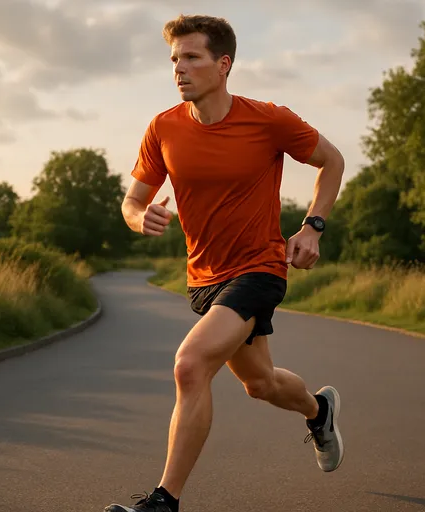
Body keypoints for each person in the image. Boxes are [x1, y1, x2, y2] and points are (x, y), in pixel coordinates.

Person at [105, 13, 346, 512]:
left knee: (190, 364)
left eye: (191, 57)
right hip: (204, 278)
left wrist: (313, 226)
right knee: (260, 384)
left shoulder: (268, 120)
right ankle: (319, 410)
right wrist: (139, 217)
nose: (179, 68)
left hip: (260, 268)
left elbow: (332, 160)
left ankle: (164, 501)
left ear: (223, 64)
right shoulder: (163, 128)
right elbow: (132, 202)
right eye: (174, 59)